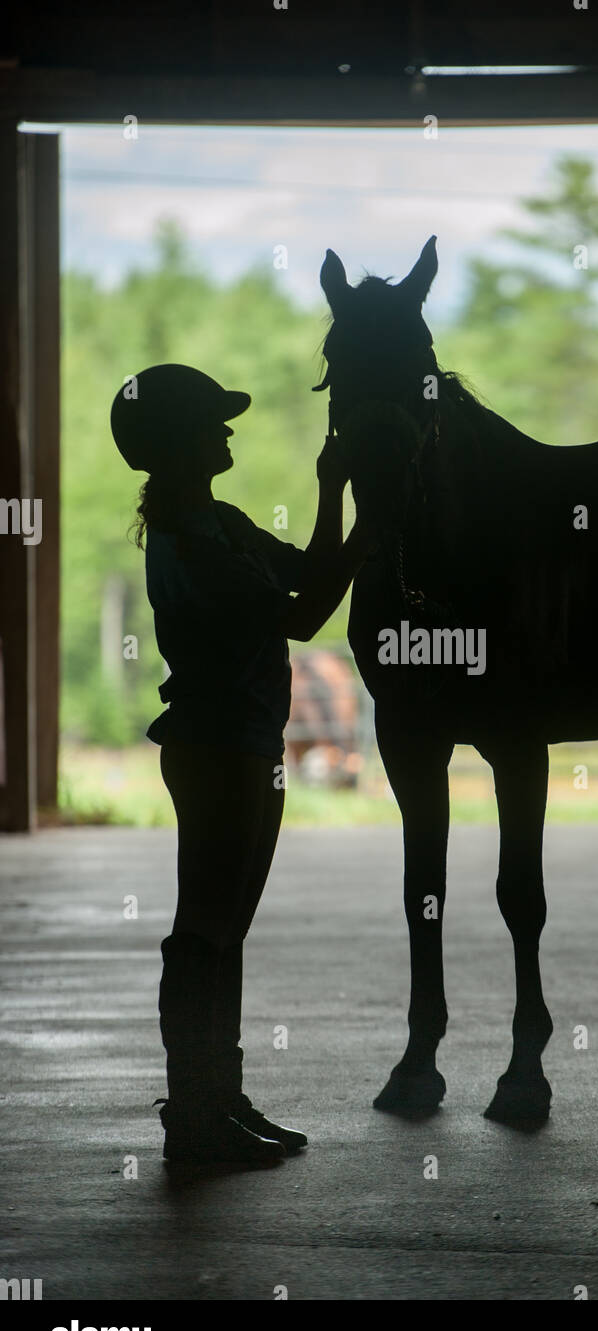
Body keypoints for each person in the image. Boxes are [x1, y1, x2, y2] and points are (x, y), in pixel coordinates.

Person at [110, 363, 368, 1164]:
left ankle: (217, 1097)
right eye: (212, 423)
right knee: (205, 931)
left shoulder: (220, 523)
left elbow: (309, 578)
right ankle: (194, 1111)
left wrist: (338, 497)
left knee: (226, 931)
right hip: (217, 746)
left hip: (246, 743)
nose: (227, 432)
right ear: (179, 441)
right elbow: (309, 613)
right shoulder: (194, 541)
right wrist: (361, 509)